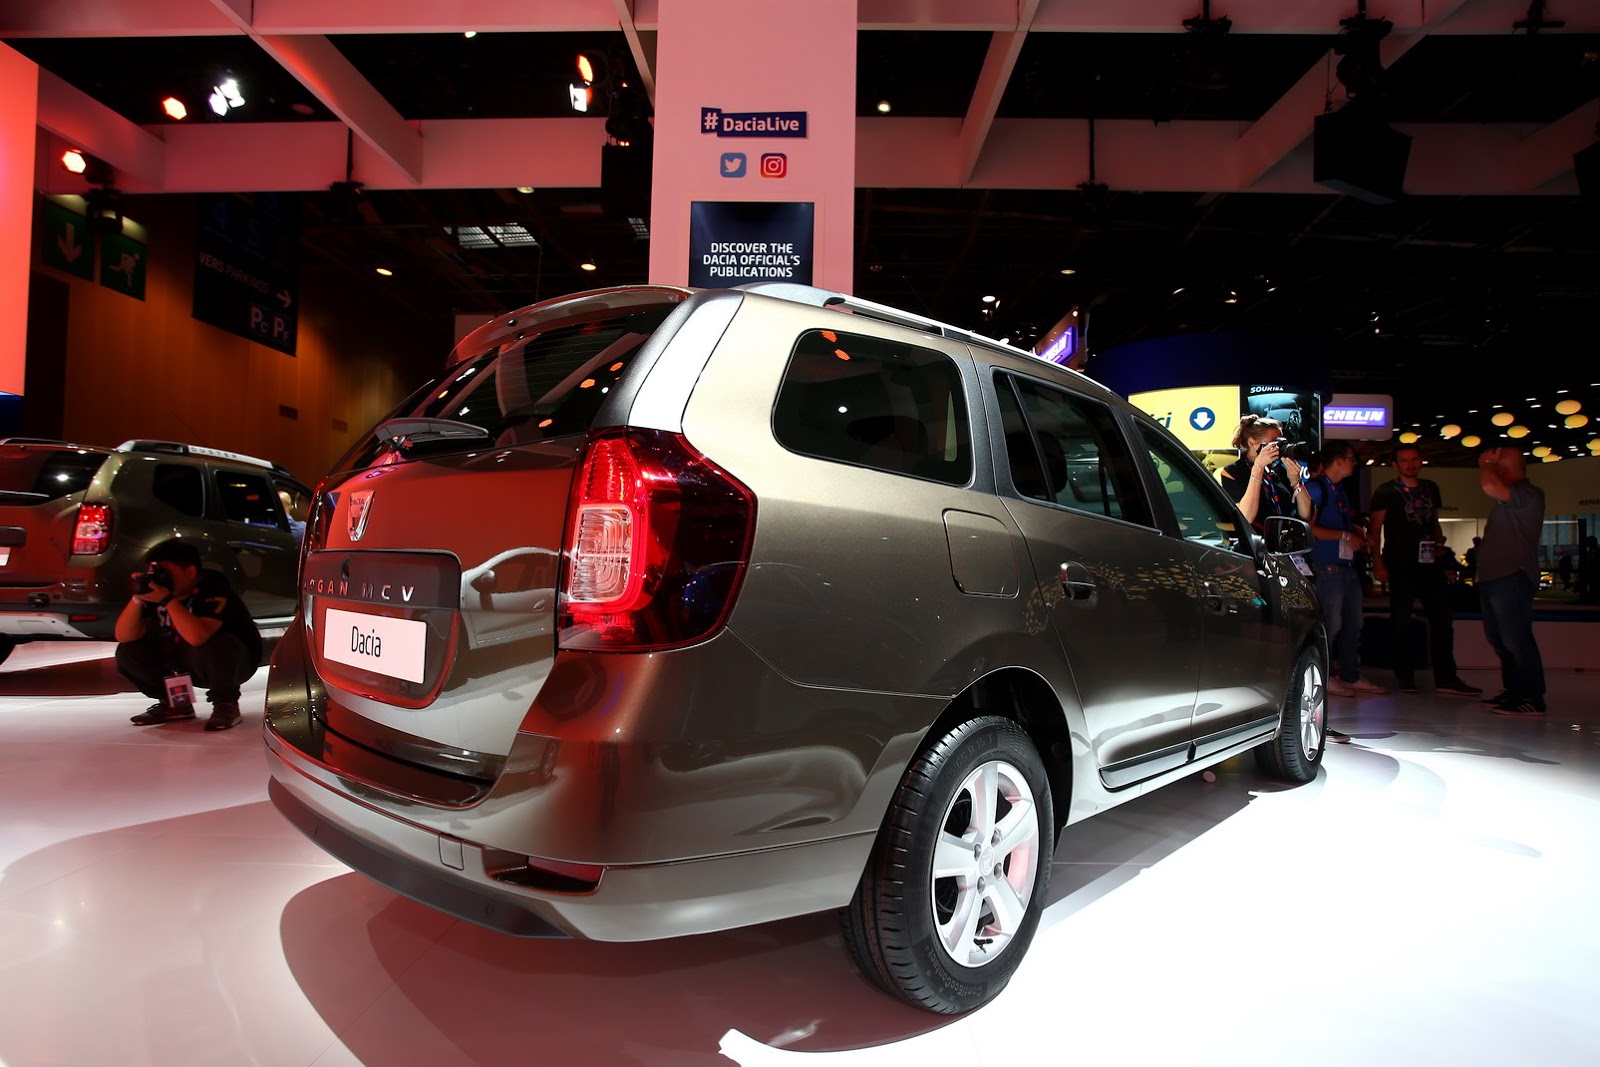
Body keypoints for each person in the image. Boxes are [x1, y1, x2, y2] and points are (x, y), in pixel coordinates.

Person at [1367, 443, 1481, 697]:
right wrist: (1377, 561)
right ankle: (1405, 675)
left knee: (1443, 619)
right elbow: (1375, 529)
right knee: (1402, 621)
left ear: (1421, 460)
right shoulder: (1386, 491)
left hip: (1429, 563)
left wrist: (1439, 545)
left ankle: (1446, 677)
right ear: (1395, 464)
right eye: (1405, 460)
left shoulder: (1430, 487)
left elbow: (1434, 520)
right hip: (1399, 563)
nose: (1411, 464)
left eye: (1414, 459)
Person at [115, 541, 260, 731]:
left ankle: (226, 704)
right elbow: (124, 636)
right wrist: (138, 597)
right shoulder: (156, 590)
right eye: (154, 572)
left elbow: (197, 636)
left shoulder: (213, 587)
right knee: (128, 650)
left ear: (190, 572)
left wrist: (168, 600)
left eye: (164, 572)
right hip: (181, 659)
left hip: (231, 662)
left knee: (215, 642)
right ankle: (175, 704)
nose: (160, 578)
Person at [1306, 443, 1386, 730]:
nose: (1355, 463)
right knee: (1332, 623)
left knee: (1354, 622)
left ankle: (1350, 674)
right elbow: (1307, 527)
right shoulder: (1316, 489)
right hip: (1326, 568)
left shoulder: (1338, 489)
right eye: (1352, 459)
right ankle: (1323, 676)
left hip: (1346, 567)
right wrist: (1343, 535)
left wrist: (1355, 535)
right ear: (1338, 461)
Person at [1475, 447, 1547, 715]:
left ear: (1503, 468)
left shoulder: (1529, 494)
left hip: (1512, 576)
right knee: (1501, 638)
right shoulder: (1513, 498)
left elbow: (1489, 485)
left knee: (1515, 638)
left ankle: (1531, 696)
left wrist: (1486, 463)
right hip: (1497, 578)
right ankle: (1515, 691)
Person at [1219, 414, 1313, 532]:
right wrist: (1258, 468)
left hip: (1285, 539)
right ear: (1251, 442)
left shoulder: (1278, 469)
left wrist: (1296, 482)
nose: (1278, 447)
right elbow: (1246, 517)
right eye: (1274, 443)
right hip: (1258, 539)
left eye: (1281, 442)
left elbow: (1306, 515)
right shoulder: (1233, 472)